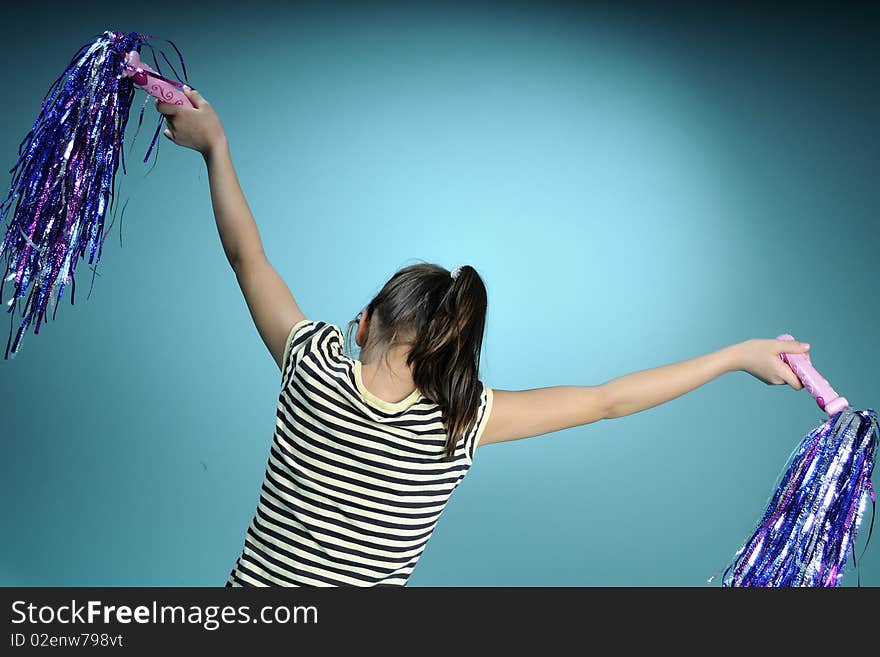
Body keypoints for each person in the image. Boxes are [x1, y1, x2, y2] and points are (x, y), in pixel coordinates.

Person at [155, 86, 814, 587]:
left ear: (361, 324)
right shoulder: (459, 422)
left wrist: (214, 143)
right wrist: (738, 354)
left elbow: (248, 255)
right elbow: (608, 399)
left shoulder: (311, 360)